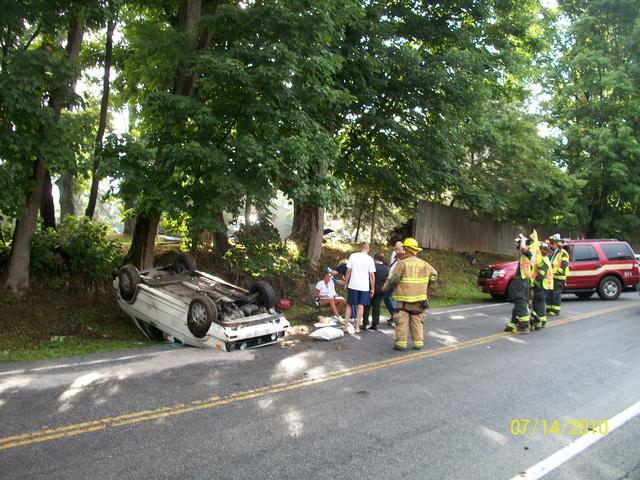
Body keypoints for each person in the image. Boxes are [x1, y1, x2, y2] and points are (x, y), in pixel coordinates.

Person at [382, 238, 437, 350]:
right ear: (416, 250)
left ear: (406, 249)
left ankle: (401, 344)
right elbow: (434, 275)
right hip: (419, 301)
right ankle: (418, 343)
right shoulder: (424, 264)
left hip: (403, 301)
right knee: (417, 322)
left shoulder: (402, 263)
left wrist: (384, 288)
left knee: (401, 322)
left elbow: (393, 279)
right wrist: (426, 284)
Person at [343, 243, 376, 333]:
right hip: (364, 287)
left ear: (360, 248)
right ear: (368, 249)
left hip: (353, 285)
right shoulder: (370, 259)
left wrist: (346, 283)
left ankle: (345, 326)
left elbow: (348, 271)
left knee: (349, 305)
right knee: (360, 306)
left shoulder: (353, 256)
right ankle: (357, 327)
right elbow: (372, 275)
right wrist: (372, 288)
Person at [505, 234, 533, 334]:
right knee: (519, 303)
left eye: (519, 243)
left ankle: (524, 326)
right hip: (523, 281)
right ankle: (513, 322)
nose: (518, 246)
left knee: (520, 302)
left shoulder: (528, 253)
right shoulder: (525, 255)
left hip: (521, 282)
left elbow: (522, 247)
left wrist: (522, 239)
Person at [362, 253, 390, 330]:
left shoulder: (373, 267)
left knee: (367, 306)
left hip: (371, 288)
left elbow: (369, 277)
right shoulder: (387, 268)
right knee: (376, 306)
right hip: (381, 290)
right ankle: (375, 324)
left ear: (375, 259)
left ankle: (365, 323)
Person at [530, 242, 553, 330]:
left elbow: (541, 275)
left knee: (539, 303)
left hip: (542, 285)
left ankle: (541, 320)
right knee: (537, 302)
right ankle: (539, 320)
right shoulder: (542, 259)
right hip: (542, 285)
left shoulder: (544, 260)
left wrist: (535, 283)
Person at [547, 234, 570, 317]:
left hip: (559, 278)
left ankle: (555, 310)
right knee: (550, 294)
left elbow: (563, 266)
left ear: (557, 244)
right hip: (552, 277)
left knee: (556, 294)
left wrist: (556, 273)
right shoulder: (554, 253)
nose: (551, 245)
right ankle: (549, 308)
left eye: (553, 243)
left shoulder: (563, 253)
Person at [385, 241, 405, 327]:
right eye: (395, 248)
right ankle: (394, 315)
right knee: (387, 297)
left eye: (398, 249)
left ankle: (395, 316)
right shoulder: (394, 253)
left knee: (391, 298)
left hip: (398, 280)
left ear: (403, 248)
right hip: (391, 278)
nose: (396, 250)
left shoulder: (405, 256)